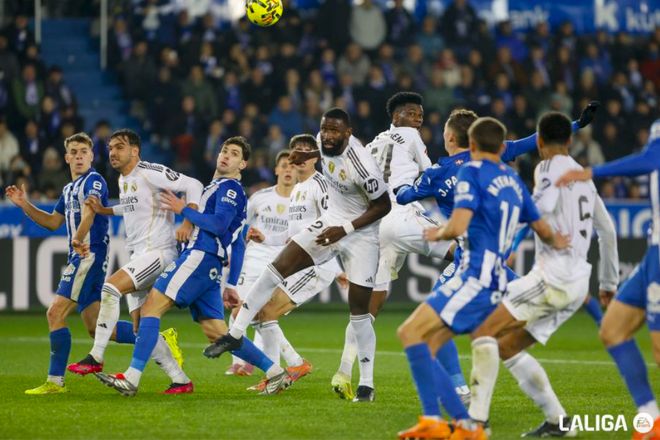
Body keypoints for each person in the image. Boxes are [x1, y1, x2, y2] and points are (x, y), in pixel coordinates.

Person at [394, 102, 600, 400]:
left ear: (450, 138)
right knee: (505, 329)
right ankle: (581, 313)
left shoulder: (438, 173)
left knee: (428, 330)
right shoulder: (500, 162)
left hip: (470, 261)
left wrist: (400, 183)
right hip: (495, 261)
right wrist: (577, 124)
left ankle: (460, 393)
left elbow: (404, 197)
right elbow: (535, 140)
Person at [204, 108, 391, 402]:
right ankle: (236, 333)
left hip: (361, 235)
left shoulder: (362, 165)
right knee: (275, 268)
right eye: (324, 129)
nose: (327, 135)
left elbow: (383, 206)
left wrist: (344, 231)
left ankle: (366, 384)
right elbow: (323, 151)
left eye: (334, 131)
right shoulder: (318, 150)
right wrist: (310, 153)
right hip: (330, 222)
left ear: (348, 133)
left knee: (359, 312)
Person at [95, 136, 292, 396]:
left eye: (234, 154)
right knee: (218, 332)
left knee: (150, 308)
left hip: (200, 256)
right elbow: (238, 242)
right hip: (209, 264)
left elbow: (219, 225)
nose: (226, 156)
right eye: (224, 150)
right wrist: (231, 284)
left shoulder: (230, 189)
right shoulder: (216, 187)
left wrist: (183, 210)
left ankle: (132, 377)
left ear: (243, 164)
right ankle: (275, 372)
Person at [466, 112, 619, 437]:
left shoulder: (547, 167)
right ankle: (558, 421)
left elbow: (539, 206)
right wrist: (608, 283)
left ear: (539, 142)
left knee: (481, 329)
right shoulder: (584, 178)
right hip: (577, 284)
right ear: (570, 141)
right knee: (506, 346)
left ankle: (475, 422)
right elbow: (607, 230)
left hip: (553, 278)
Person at [332, 92, 452, 401]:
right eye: (412, 113)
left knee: (367, 309)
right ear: (396, 116)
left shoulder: (371, 144)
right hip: (401, 215)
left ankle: (352, 376)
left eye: (420, 114)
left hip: (373, 225)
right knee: (461, 250)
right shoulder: (410, 136)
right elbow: (431, 174)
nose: (418, 119)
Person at [67, 129, 201, 394]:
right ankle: (180, 380)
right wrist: (105, 210)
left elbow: (194, 185)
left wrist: (188, 220)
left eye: (119, 147)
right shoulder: (123, 179)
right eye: (110, 148)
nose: (113, 153)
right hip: (139, 255)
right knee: (141, 328)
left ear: (135, 151)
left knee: (110, 288)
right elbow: (132, 207)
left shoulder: (149, 171)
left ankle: (96, 356)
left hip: (159, 252)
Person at [557, 119, 660, 439]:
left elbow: (651, 159)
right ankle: (650, 416)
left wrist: (591, 172)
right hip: (653, 252)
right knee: (612, 329)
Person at [6, 133, 113, 394]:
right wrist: (24, 205)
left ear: (92, 156)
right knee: (95, 326)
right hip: (82, 254)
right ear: (66, 158)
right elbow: (53, 222)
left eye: (83, 152)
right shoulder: (68, 190)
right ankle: (155, 340)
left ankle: (55, 382)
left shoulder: (94, 181)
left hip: (88, 254)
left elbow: (89, 212)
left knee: (54, 313)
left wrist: (78, 238)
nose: (79, 156)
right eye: (73, 152)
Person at [246, 134, 347, 392]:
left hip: (315, 264)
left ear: (315, 157)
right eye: (295, 151)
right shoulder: (298, 191)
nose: (299, 156)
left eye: (306, 150)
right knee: (261, 314)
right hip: (299, 262)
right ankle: (280, 372)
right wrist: (266, 238)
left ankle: (290, 367)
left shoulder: (320, 184)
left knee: (264, 312)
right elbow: (292, 236)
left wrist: (339, 268)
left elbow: (333, 223)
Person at [225, 150, 296, 376]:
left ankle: (261, 362)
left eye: (292, 166)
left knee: (264, 313)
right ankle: (239, 362)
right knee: (238, 309)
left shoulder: (302, 201)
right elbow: (239, 225)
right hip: (254, 259)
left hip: (284, 263)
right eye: (283, 165)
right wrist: (231, 252)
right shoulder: (260, 197)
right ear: (276, 169)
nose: (288, 169)